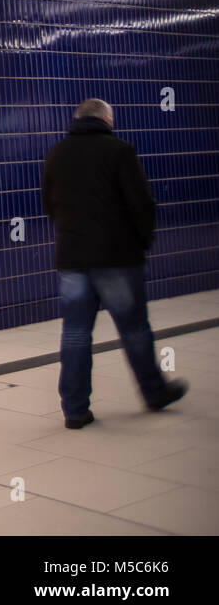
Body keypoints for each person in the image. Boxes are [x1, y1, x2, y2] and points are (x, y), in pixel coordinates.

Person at [41, 98, 187, 429]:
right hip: (117, 258)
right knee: (134, 329)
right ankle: (153, 392)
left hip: (73, 259)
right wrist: (143, 241)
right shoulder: (119, 151)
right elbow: (140, 203)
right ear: (107, 120)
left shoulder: (57, 153)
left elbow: (48, 203)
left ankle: (75, 410)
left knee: (75, 334)